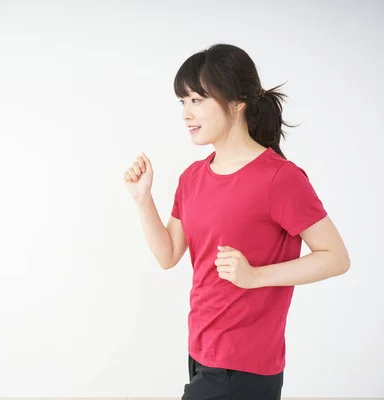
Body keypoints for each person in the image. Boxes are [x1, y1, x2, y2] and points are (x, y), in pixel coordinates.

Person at [123, 44, 351, 400]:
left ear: (237, 101)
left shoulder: (279, 179)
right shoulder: (192, 177)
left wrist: (256, 276)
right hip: (201, 352)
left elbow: (336, 256)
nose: (186, 113)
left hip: (244, 365)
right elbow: (168, 255)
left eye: (197, 100)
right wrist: (142, 198)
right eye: (182, 101)